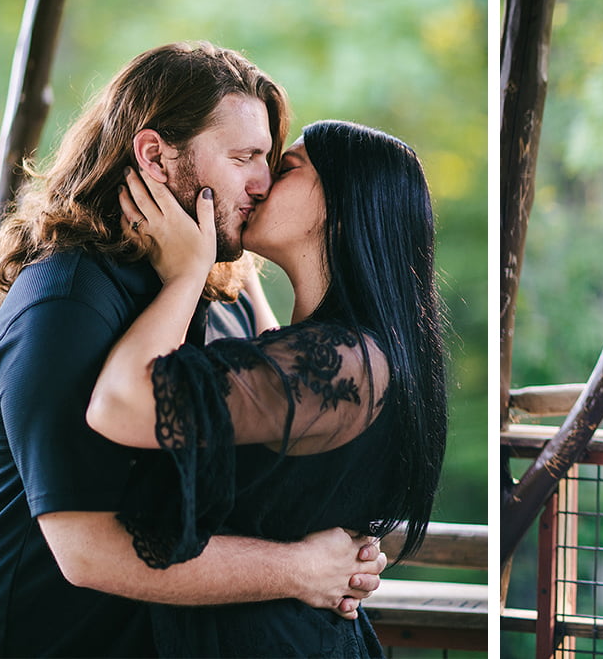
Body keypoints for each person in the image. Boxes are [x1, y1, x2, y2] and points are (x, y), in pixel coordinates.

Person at [0, 43, 386, 658]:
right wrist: (300, 570)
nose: (262, 182)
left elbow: (270, 454)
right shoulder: (66, 300)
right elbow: (87, 552)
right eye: (243, 157)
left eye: (270, 161)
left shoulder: (222, 289)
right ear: (154, 155)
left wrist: (345, 549)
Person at [85, 119, 449, 657]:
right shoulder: (349, 351)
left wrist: (188, 274)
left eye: (287, 168)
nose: (260, 182)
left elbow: (119, 406)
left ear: (344, 208)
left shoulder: (342, 363)